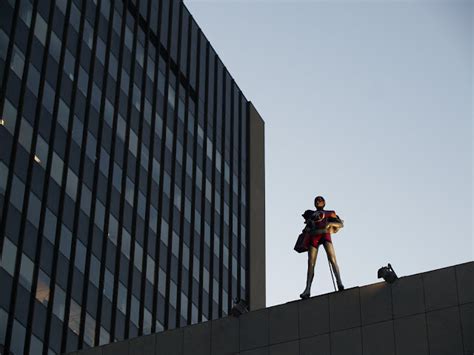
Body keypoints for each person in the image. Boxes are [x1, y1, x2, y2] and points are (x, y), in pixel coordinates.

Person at [300, 195, 344, 299]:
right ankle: (307, 289)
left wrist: (329, 224)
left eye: (320, 200)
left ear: (324, 203)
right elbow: (306, 229)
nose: (318, 202)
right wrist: (308, 227)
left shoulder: (329, 212)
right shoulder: (311, 215)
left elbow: (341, 224)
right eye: (316, 200)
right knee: (311, 263)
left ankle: (339, 282)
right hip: (314, 236)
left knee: (332, 259)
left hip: (325, 234)